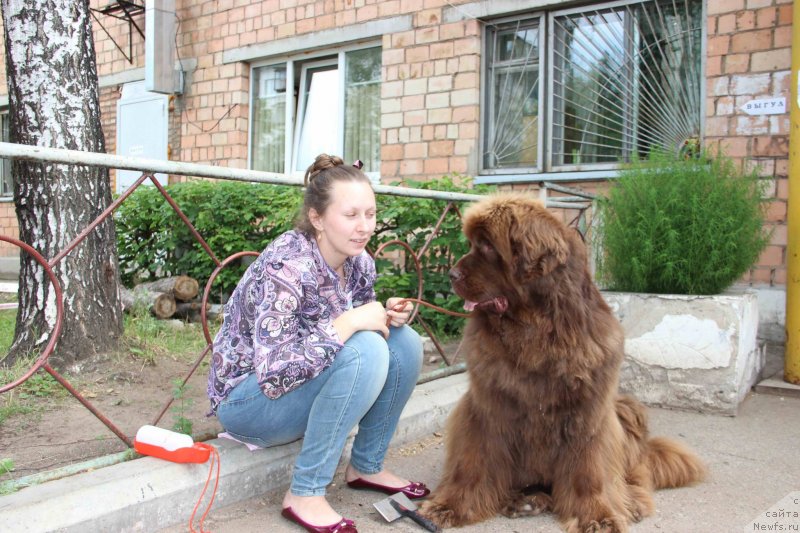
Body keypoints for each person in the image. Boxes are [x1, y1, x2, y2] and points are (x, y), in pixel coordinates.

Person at [207, 154, 426, 533]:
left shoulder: (359, 262)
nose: (364, 227)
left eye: (370, 214)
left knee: (404, 344)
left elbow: (358, 327)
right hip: (249, 401)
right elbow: (274, 375)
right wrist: (351, 322)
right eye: (351, 215)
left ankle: (366, 466)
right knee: (367, 349)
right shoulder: (287, 266)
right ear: (317, 218)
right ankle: (305, 492)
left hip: (300, 389)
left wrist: (384, 315)